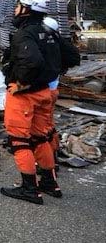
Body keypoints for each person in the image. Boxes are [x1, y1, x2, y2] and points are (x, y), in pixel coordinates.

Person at [0, 0, 62, 204]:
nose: (15, 10)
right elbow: (69, 57)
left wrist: (21, 84)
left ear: (27, 8)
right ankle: (49, 182)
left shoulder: (24, 34)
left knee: (19, 140)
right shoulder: (48, 33)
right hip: (45, 91)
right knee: (40, 137)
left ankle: (29, 189)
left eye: (18, 6)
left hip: (25, 96)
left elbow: (32, 62)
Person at [41, 16, 80, 165]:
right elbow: (74, 58)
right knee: (48, 123)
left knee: (40, 127)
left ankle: (47, 162)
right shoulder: (61, 43)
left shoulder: (44, 44)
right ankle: (53, 153)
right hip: (53, 88)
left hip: (42, 90)